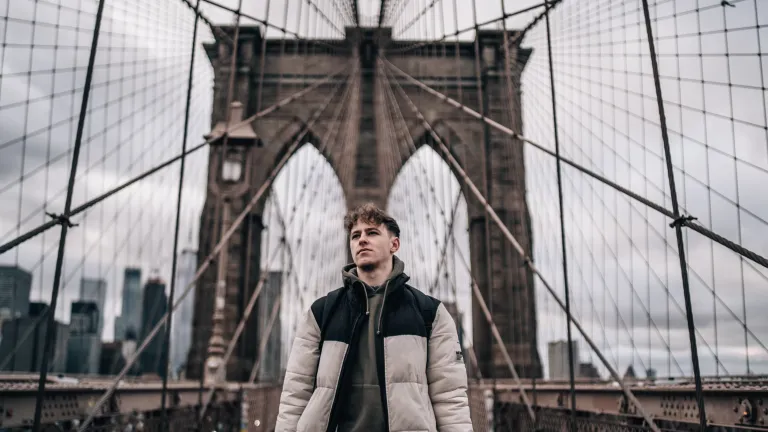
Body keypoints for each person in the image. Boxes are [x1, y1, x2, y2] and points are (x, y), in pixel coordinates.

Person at [275, 203, 472, 432]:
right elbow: (295, 393)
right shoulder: (321, 313)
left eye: (372, 233)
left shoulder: (431, 314)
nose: (362, 240)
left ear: (394, 244)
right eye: (355, 235)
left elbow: (450, 397)